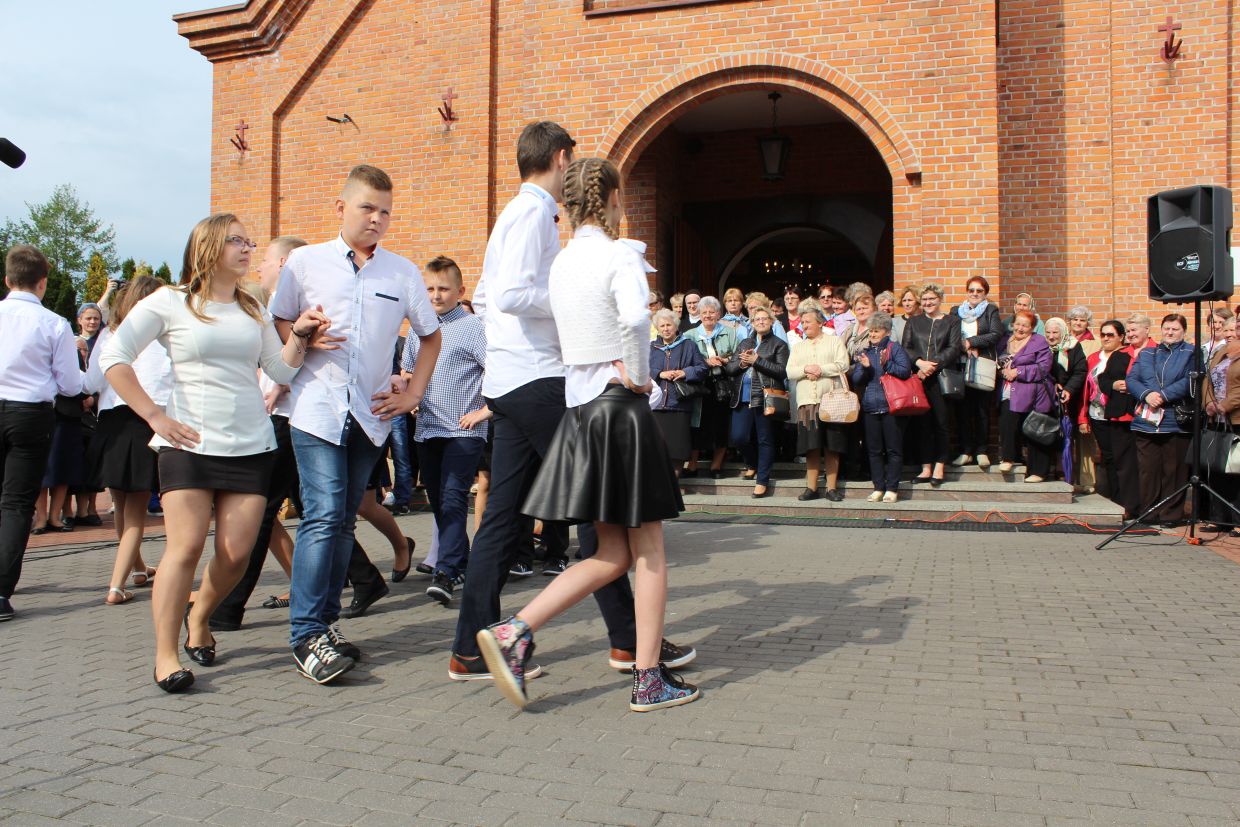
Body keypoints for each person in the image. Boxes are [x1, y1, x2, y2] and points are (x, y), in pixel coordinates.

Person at [451, 123, 693, 683]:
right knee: (619, 529)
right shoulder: (540, 216)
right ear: (563, 160)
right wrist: (622, 356)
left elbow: (486, 295)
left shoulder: (546, 239)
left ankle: (485, 641)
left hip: (530, 381)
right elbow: (512, 295)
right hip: (552, 381)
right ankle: (635, 653)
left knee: (517, 519)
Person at [102, 214, 328, 692]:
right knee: (184, 548)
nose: (248, 249)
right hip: (188, 444)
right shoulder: (170, 301)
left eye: (250, 242)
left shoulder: (252, 307)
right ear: (207, 248)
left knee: (235, 554)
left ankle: (200, 614)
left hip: (250, 445)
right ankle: (165, 656)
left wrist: (300, 336)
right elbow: (113, 357)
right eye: (237, 241)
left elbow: (279, 371)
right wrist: (154, 417)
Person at [269, 165, 443, 685]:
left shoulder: (401, 272)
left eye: (385, 211)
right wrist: (301, 334)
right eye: (368, 208)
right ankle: (306, 634)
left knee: (343, 520)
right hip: (316, 407)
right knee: (323, 516)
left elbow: (430, 336)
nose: (377, 219)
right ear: (340, 207)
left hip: (371, 414)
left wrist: (413, 393)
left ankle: (324, 625)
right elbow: (278, 319)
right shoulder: (305, 262)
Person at [207, 236, 308, 632]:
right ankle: (363, 578)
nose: (260, 264)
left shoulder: (288, 301)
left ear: (283, 262)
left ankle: (227, 607)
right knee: (303, 510)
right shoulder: (273, 304)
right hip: (276, 415)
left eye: (266, 258)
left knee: (265, 509)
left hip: (287, 416)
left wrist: (280, 385)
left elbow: (294, 356)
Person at [0, 245, 84, 622]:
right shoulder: (54, 323)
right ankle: (1, 592)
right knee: (17, 503)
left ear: (8, 280)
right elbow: (69, 384)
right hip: (29, 413)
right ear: (43, 283)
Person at [400, 256, 487, 607]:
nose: (436, 295)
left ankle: (447, 571)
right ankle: (461, 561)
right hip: (427, 427)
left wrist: (484, 411)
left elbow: (498, 372)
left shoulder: (474, 327)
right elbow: (408, 372)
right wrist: (409, 395)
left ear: (460, 291)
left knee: (453, 497)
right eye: (430, 289)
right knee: (438, 499)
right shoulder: (419, 329)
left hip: (464, 430)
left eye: (444, 289)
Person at [84, 276, 171, 604]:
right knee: (135, 511)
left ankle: (137, 568)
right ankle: (116, 586)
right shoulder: (162, 336)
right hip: (144, 420)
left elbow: (91, 381)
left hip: (111, 422)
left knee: (122, 504)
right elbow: (167, 387)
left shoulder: (111, 333)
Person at [1128, 313, 1195, 527]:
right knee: (1148, 470)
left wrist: (1164, 396)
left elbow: (1190, 380)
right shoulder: (1148, 353)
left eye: (1175, 329)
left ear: (1183, 331)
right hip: (1147, 421)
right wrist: (1147, 394)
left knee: (1173, 471)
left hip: (1175, 421)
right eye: (1167, 328)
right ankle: (1148, 513)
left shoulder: (1192, 352)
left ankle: (1170, 515)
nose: (1170, 332)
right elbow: (1132, 379)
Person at [786, 299, 850, 501]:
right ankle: (811, 487)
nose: (804, 325)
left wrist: (820, 369)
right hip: (807, 402)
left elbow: (843, 364)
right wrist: (806, 369)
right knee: (811, 446)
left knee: (832, 446)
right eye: (802, 322)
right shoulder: (798, 347)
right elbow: (789, 371)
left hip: (831, 402)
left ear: (820, 322)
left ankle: (831, 488)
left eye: (808, 322)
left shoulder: (834, 341)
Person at [724, 306, 789, 498]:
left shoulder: (778, 344)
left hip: (764, 397)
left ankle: (762, 480)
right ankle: (752, 463)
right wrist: (742, 363)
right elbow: (730, 368)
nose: (760, 322)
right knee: (739, 437)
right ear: (751, 323)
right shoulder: (745, 342)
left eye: (764, 319)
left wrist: (757, 360)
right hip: (742, 397)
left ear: (771, 322)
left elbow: (781, 371)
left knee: (764, 439)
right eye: (757, 319)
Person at [901, 282, 962, 485]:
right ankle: (925, 467)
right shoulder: (914, 321)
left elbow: (953, 348)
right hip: (919, 378)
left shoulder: (952, 321)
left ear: (940, 300)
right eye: (924, 299)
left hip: (941, 378)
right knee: (923, 424)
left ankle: (939, 466)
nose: (927, 303)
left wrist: (932, 365)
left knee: (941, 423)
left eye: (932, 299)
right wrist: (919, 362)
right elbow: (906, 347)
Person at [849, 312, 912, 502]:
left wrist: (887, 364)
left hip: (891, 406)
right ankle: (878, 487)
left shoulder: (895, 348)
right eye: (871, 331)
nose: (872, 334)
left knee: (893, 449)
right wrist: (866, 367)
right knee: (874, 450)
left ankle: (892, 488)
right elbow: (857, 379)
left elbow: (905, 371)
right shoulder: (866, 352)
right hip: (870, 406)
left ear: (886, 332)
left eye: (876, 331)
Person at [1081, 320, 1139, 517]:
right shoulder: (1093, 358)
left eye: (1110, 335)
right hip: (1097, 414)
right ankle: (1115, 499)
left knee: (1123, 459)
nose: (1105, 338)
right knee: (1108, 458)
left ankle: (1126, 502)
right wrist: (1083, 416)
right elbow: (1087, 389)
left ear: (1121, 337)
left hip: (1120, 415)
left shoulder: (1126, 356)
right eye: (1103, 334)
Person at [995, 310, 1054, 483]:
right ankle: (1008, 458)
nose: (1020, 328)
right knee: (1007, 424)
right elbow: (996, 362)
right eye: (1018, 324)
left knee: (1035, 431)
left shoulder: (1039, 341)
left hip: (1033, 393)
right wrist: (1001, 371)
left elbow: (1044, 367)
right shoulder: (1004, 341)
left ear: (1032, 327)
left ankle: (1038, 472)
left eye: (1025, 326)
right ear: (1012, 324)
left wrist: (1018, 371)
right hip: (1008, 391)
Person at [951, 275, 1003, 468]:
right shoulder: (956, 311)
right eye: (971, 290)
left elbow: (996, 333)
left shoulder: (991, 310)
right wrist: (963, 346)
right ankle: (965, 451)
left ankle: (981, 451)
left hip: (981, 365)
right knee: (962, 411)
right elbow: (950, 334)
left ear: (985, 293)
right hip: (960, 365)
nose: (975, 294)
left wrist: (972, 342)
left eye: (979, 291)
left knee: (982, 410)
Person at [685, 296, 738, 478]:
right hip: (699, 385)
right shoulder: (690, 335)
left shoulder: (729, 332)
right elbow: (686, 360)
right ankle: (692, 465)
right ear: (699, 314)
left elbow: (737, 356)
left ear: (718, 314)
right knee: (697, 425)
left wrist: (724, 360)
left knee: (721, 424)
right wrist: (706, 362)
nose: (708, 315)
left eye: (712, 312)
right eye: (704, 312)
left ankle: (716, 466)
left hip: (723, 383)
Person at [649, 308, 707, 474]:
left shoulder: (689, 345)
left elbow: (702, 368)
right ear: (657, 328)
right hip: (656, 405)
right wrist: (659, 374)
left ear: (675, 326)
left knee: (677, 450)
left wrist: (685, 372)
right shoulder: (651, 348)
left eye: (669, 325)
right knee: (656, 449)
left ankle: (674, 484)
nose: (666, 329)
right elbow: (642, 370)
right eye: (662, 326)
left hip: (679, 405)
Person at [1202, 316, 1240, 532]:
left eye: (1234, 329)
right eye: (1227, 330)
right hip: (1215, 419)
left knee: (1236, 470)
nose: (1230, 333)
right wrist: (1209, 403)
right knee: (1217, 470)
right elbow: (1207, 380)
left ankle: (1237, 520)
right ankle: (1218, 518)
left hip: (1235, 418)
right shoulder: (1220, 352)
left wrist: (1225, 405)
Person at [1044, 317, 1088, 483]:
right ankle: (1046, 469)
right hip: (1045, 396)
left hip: (1066, 400)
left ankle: (1063, 470)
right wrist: (1052, 384)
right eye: (1048, 332)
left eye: (1055, 332)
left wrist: (1068, 389)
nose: (1051, 336)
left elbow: (1080, 371)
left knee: (1064, 435)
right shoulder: (1041, 347)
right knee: (1045, 433)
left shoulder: (1073, 346)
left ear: (1062, 332)